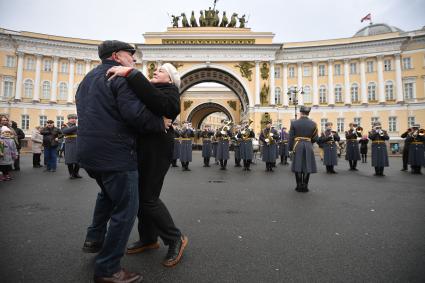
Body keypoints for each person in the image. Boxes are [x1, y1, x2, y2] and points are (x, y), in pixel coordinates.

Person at [78, 40, 171, 283]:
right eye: (131, 55)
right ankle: (108, 268)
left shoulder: (86, 80)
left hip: (88, 153)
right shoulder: (120, 78)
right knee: (127, 208)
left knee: (107, 195)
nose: (134, 59)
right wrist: (159, 123)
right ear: (117, 56)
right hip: (116, 152)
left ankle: (94, 238)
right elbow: (134, 114)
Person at [106, 62, 188, 267]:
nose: (155, 71)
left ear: (170, 79)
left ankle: (175, 238)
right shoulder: (148, 90)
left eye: (161, 71)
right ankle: (149, 238)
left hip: (157, 149)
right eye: (155, 69)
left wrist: (132, 73)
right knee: (140, 195)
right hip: (142, 148)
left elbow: (165, 106)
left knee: (148, 198)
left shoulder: (170, 91)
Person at [288, 106, 318, 192]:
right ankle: (305, 186)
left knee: (298, 165)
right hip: (308, 145)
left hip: (297, 145)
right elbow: (315, 138)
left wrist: (290, 149)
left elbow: (291, 137)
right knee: (307, 165)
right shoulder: (313, 124)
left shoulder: (294, 123)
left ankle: (298, 186)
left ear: (300, 113)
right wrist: (309, 142)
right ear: (308, 113)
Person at [62, 114, 81, 179]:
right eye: (72, 118)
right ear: (69, 119)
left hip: (77, 143)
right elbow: (64, 131)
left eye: (75, 118)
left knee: (78, 160)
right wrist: (76, 127)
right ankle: (71, 174)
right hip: (69, 144)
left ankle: (76, 173)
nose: (74, 119)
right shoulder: (65, 125)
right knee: (70, 160)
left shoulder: (76, 126)